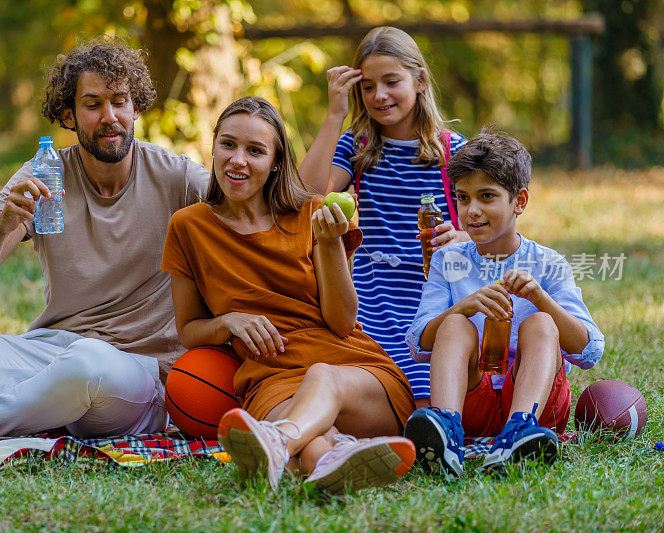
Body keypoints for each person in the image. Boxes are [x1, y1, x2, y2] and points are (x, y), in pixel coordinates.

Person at [0, 38, 209, 455]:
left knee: (88, 366)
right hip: (53, 351)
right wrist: (4, 220)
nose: (110, 117)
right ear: (68, 114)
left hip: (136, 374)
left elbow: (263, 208)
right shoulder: (45, 172)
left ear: (136, 107)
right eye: (93, 103)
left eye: (120, 101)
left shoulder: (179, 177)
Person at [161, 96, 416, 494]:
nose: (238, 160)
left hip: (354, 373)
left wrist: (331, 245)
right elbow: (189, 331)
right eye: (228, 144)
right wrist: (228, 322)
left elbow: (342, 323)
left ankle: (276, 443)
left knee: (320, 380)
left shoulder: (312, 213)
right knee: (313, 444)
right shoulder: (188, 227)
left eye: (256, 151)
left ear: (276, 161)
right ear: (213, 147)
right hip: (270, 378)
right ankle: (333, 460)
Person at [402, 129, 604, 476]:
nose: (472, 211)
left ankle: (519, 433)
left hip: (538, 405)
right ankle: (447, 432)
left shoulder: (548, 263)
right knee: (452, 323)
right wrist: (461, 307)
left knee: (541, 323)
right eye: (462, 198)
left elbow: (589, 351)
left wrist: (540, 299)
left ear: (519, 202)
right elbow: (419, 343)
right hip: (472, 401)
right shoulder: (447, 260)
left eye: (487, 196)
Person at [298, 26, 469, 408]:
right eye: (368, 86)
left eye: (392, 82)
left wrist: (465, 239)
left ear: (420, 80)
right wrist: (334, 115)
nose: (379, 95)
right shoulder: (357, 147)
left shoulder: (454, 153)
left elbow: (495, 231)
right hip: (371, 298)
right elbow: (305, 197)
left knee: (426, 399)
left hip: (434, 297)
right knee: (366, 385)